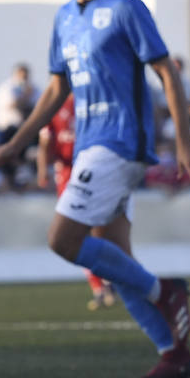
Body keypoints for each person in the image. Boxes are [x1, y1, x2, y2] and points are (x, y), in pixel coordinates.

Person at [0, 0, 190, 378]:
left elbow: (167, 73)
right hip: (89, 147)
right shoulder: (64, 18)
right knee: (114, 260)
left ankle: (166, 291)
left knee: (63, 240)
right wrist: (15, 145)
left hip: (118, 145)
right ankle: (174, 352)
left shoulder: (126, 8)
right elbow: (57, 89)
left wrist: (182, 140)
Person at [36, 97, 113, 310]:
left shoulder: (91, 101)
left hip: (94, 170)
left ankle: (108, 279)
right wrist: (43, 170)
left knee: (100, 229)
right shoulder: (53, 106)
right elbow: (45, 142)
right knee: (75, 235)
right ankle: (99, 286)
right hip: (67, 176)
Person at [0, 63, 38, 142]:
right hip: (8, 130)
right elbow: (12, 105)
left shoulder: (34, 87)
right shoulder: (7, 87)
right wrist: (26, 96)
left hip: (27, 129)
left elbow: (40, 105)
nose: (24, 77)